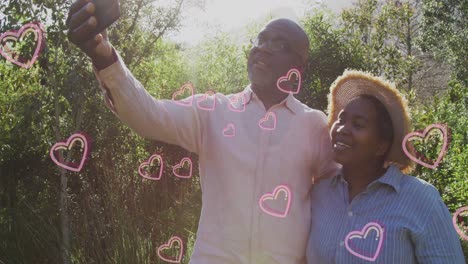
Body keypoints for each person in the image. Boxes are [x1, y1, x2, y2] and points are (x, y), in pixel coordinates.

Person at [66, 0, 338, 263]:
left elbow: (341, 195)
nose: (264, 49)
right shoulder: (213, 111)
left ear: (299, 68)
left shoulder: (315, 126)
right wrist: (104, 57)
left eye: (281, 45)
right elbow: (149, 115)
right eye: (261, 39)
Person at [306, 70, 465, 263]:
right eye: (341, 119)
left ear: (382, 145)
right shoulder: (319, 193)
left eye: (358, 125)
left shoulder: (421, 200)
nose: (342, 129)